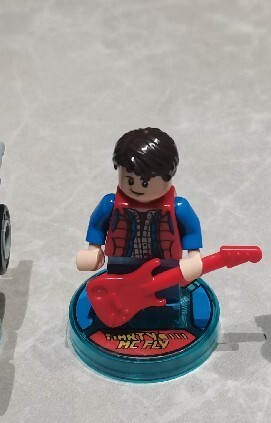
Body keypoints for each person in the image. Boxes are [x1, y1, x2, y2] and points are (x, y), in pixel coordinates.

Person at [75, 128, 204, 317]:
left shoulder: (179, 207)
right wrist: (93, 250)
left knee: (166, 297)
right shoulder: (110, 204)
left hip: (164, 264)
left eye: (145, 183)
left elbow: (191, 231)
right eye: (129, 180)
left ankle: (166, 318)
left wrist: (194, 257)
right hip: (121, 262)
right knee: (120, 294)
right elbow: (97, 226)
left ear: (168, 175)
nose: (136, 188)